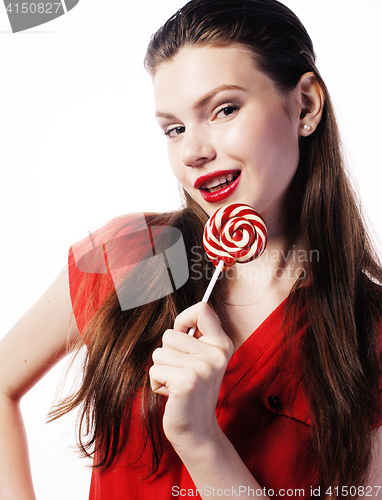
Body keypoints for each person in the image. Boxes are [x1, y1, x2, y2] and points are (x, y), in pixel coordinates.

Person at [0, 0, 381, 498]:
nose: (192, 151)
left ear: (305, 105)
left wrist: (200, 439)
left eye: (224, 109)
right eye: (174, 128)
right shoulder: (144, 259)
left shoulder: (367, 334)